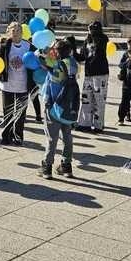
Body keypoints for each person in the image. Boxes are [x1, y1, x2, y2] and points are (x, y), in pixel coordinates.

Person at [37, 37, 79, 178]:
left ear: (57, 52)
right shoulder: (73, 63)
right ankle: (66, 166)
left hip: (54, 106)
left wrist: (45, 51)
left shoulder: (57, 65)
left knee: (52, 137)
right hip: (68, 106)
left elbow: (41, 59)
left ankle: (47, 167)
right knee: (67, 136)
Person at [0, 21, 30, 145]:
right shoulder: (5, 45)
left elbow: (36, 59)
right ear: (8, 32)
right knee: (8, 112)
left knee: (20, 114)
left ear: (22, 32)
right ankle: (6, 137)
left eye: (17, 31)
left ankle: (18, 137)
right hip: (8, 84)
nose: (15, 33)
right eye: (12, 31)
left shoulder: (28, 46)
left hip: (23, 85)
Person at [75, 21, 110, 132]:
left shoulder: (103, 39)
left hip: (100, 74)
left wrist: (91, 34)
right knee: (86, 99)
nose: (91, 30)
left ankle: (98, 125)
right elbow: (82, 57)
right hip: (89, 74)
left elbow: (99, 45)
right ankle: (84, 124)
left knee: (99, 101)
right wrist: (72, 50)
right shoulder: (87, 41)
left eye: (94, 28)